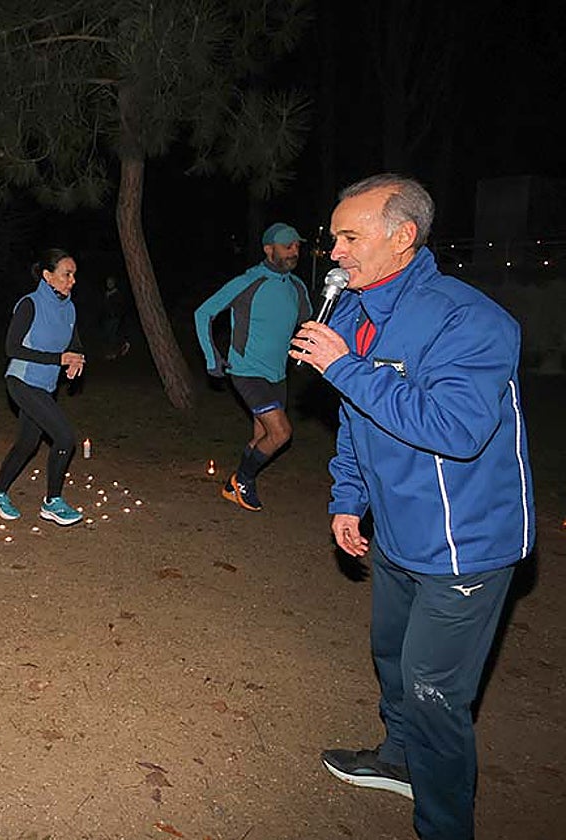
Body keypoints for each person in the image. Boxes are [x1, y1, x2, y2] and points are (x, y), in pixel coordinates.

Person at [288, 174, 534, 840]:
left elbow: (456, 430)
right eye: (333, 236)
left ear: (403, 237)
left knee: (433, 695)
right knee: (392, 658)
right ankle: (397, 761)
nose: (333, 252)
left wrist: (347, 369)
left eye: (349, 236)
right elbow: (356, 421)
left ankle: (445, 826)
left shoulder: (471, 320)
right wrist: (349, 498)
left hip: (465, 547)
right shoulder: (351, 313)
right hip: (395, 532)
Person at [194, 222, 312, 512]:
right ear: (269, 249)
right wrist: (213, 357)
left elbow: (309, 324)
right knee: (281, 433)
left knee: (262, 436)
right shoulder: (249, 281)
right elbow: (203, 312)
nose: (294, 251)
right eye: (288, 246)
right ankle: (243, 480)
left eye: (297, 246)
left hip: (277, 374)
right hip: (246, 371)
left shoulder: (297, 287)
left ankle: (232, 486)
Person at [0, 248, 85, 526]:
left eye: (74, 274)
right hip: (22, 380)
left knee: (27, 444)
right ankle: (53, 502)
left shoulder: (69, 307)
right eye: (66, 274)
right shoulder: (30, 304)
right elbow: (11, 348)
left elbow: (73, 342)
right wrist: (57, 359)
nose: (72, 280)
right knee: (64, 438)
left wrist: (77, 358)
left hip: (45, 384)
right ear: (48, 276)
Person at [101, 275, 131, 360]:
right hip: (107, 317)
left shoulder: (117, 294)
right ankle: (122, 346)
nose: (109, 284)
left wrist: (117, 315)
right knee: (109, 335)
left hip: (114, 317)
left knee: (112, 336)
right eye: (108, 283)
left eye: (110, 282)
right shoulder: (107, 293)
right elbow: (104, 306)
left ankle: (115, 352)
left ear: (114, 283)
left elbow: (120, 306)